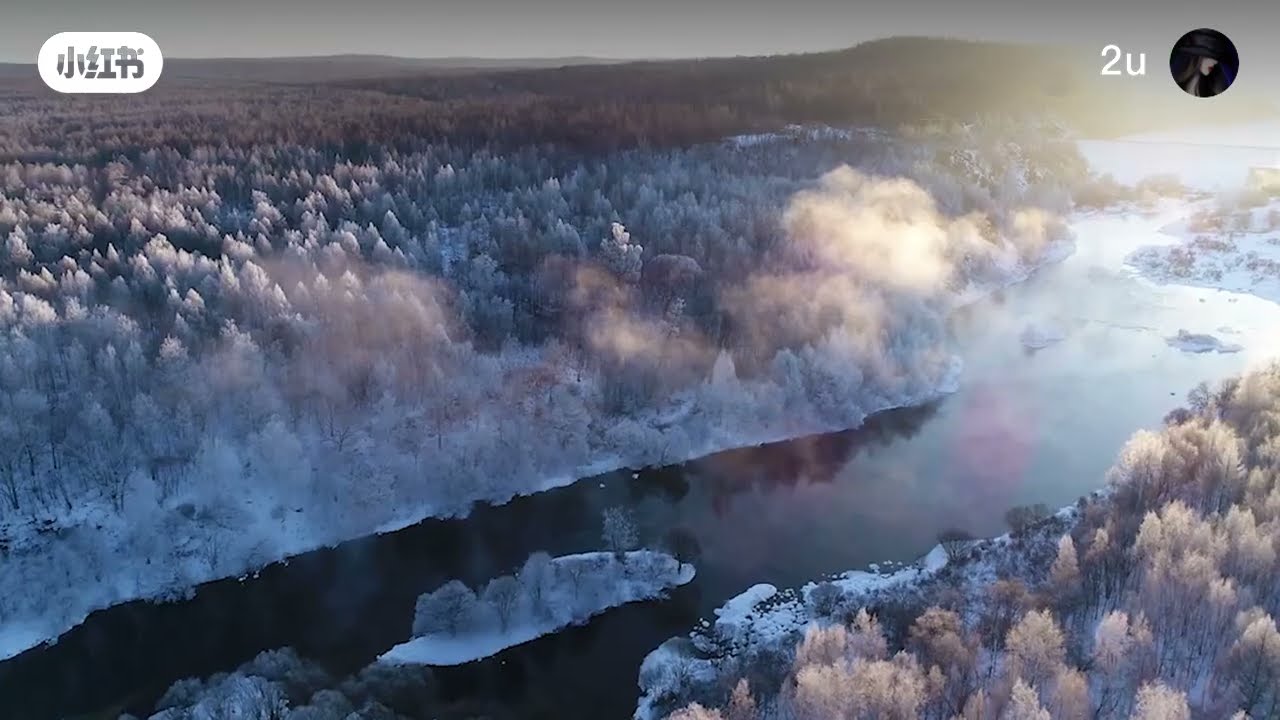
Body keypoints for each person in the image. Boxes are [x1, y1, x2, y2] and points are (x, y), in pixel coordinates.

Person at [1170, 28, 1238, 97]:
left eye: (1216, 57)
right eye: (1210, 56)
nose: (1216, 62)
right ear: (1196, 57)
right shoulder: (1173, 91)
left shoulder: (1213, 93)